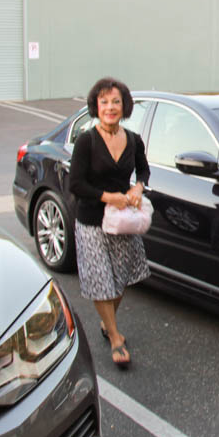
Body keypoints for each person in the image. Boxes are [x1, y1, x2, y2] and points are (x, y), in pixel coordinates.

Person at [69, 77, 150, 368]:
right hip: (91, 221)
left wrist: (139, 187)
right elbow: (75, 185)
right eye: (104, 102)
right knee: (101, 280)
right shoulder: (86, 141)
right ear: (96, 106)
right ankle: (115, 337)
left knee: (120, 280)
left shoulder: (133, 139)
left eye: (115, 101)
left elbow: (143, 169)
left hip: (123, 222)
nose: (110, 107)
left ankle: (108, 322)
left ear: (124, 106)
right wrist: (107, 196)